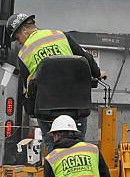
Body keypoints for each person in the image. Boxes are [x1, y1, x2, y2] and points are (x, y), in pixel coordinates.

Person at [6, 12, 105, 149]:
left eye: (17, 38)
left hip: (48, 113)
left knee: (52, 146)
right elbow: (86, 58)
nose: (19, 42)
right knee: (78, 143)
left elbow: (28, 90)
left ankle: (54, 155)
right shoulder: (60, 35)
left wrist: (31, 111)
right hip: (76, 108)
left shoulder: (24, 54)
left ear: (24, 30)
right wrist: (98, 73)